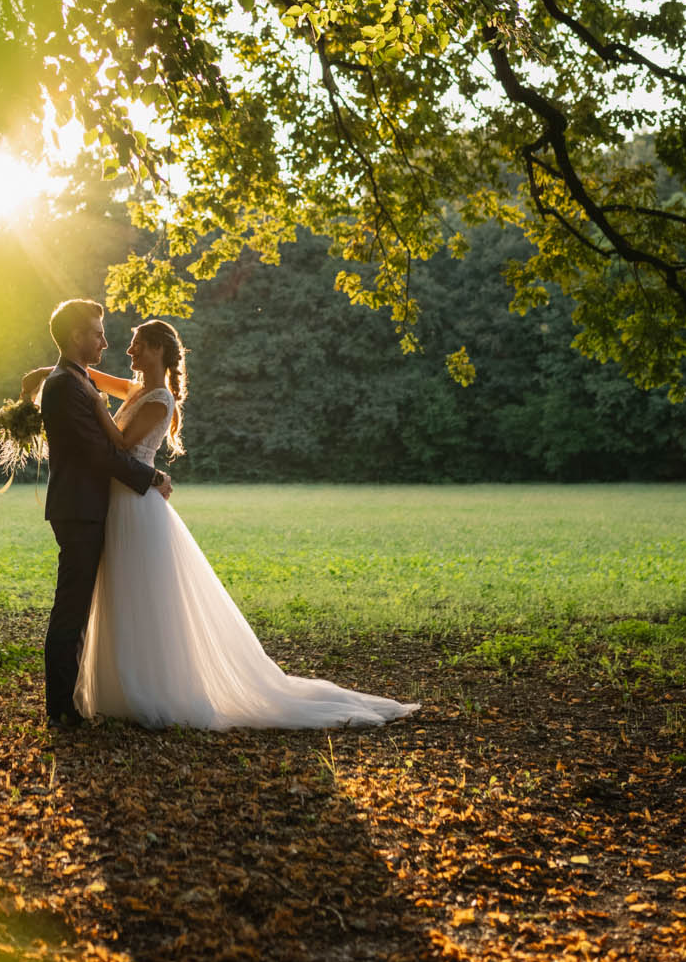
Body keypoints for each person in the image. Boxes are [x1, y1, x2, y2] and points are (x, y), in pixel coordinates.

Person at [73, 318, 419, 731]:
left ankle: (150, 688)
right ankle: (122, 686)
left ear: (158, 350)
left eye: (136, 345)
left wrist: (94, 404)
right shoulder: (136, 390)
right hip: (121, 501)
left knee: (141, 595)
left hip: (136, 505)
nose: (128, 352)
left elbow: (123, 445)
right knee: (123, 592)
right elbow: (92, 377)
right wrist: (59, 372)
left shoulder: (159, 398)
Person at [26, 299, 173, 731]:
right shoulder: (68, 386)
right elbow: (100, 452)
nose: (105, 342)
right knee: (72, 608)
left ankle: (73, 699)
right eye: (97, 333)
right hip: (81, 509)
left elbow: (106, 441)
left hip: (90, 507)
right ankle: (60, 708)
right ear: (75, 338)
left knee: (84, 605)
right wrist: (151, 478)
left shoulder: (74, 379)